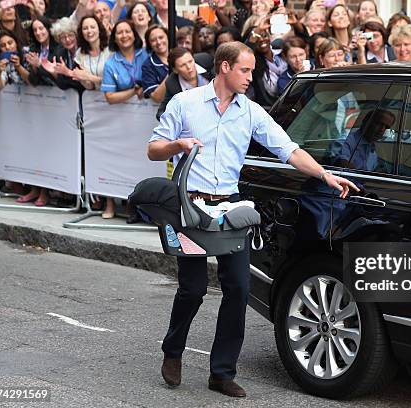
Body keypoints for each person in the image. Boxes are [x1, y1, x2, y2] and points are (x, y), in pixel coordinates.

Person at [147, 40, 358, 398]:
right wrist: (177, 145)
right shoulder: (185, 103)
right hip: (189, 207)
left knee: (239, 288)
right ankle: (173, 350)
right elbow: (153, 149)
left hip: (231, 208)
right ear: (225, 68)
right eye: (245, 70)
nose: (251, 77)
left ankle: (221, 372)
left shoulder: (252, 112)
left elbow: (288, 149)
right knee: (193, 289)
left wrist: (324, 175)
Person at [101, 19, 147, 104]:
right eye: (119, 33)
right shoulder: (110, 64)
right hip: (124, 114)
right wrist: (134, 91)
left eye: (127, 31)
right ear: (114, 38)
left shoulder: (147, 54)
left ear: (134, 35)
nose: (124, 35)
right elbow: (110, 97)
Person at [156, 47, 209, 120]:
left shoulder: (207, 61)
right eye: (182, 65)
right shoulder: (172, 84)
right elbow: (161, 113)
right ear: (175, 70)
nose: (189, 67)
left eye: (190, 61)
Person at [72, 15, 112, 91]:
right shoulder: (80, 53)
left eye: (92, 27)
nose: (89, 31)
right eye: (85, 28)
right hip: (93, 99)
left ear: (99, 29)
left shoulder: (111, 50)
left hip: (114, 98)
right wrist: (82, 79)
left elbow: (115, 81)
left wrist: (90, 77)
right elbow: (90, 86)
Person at [141, 24, 169, 102]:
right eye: (153, 40)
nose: (158, 42)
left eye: (161, 37)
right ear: (149, 44)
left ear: (167, 37)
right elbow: (156, 98)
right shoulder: (148, 65)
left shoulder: (181, 54)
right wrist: (171, 73)